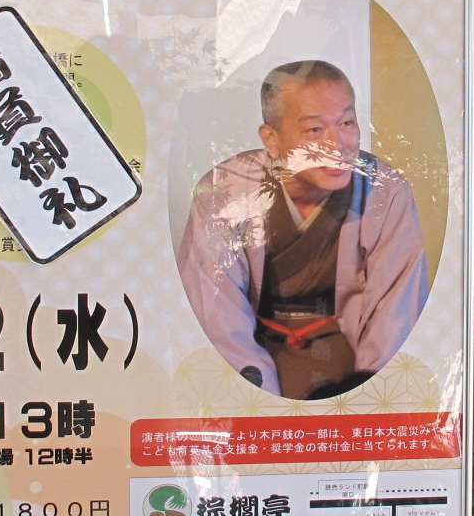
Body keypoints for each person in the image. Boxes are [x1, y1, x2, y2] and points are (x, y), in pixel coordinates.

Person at [177, 59, 429, 399]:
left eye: (347, 123)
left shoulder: (384, 189)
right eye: (314, 130)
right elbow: (215, 310)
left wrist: (366, 393)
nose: (337, 144)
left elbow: (395, 309)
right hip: (253, 353)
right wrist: (255, 397)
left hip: (350, 358)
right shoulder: (225, 189)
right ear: (272, 139)